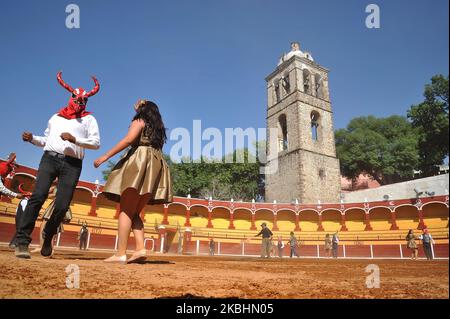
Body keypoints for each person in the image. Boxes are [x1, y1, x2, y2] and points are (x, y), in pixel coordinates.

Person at [15, 72, 101, 259]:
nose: (80, 104)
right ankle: (22, 241)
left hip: (72, 164)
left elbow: (96, 143)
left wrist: (75, 139)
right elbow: (47, 139)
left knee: (62, 206)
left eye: (83, 101)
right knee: (38, 196)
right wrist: (32, 139)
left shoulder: (89, 119)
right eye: (77, 100)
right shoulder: (56, 117)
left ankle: (48, 236)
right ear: (71, 98)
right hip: (49, 158)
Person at [94, 99, 173, 264]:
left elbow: (129, 140)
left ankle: (120, 253)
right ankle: (140, 248)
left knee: (125, 209)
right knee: (135, 211)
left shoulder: (139, 121)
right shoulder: (157, 129)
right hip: (155, 165)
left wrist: (105, 156)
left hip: (139, 161)